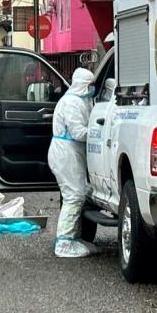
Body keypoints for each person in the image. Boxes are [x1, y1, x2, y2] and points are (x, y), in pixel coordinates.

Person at [48, 67, 98, 258]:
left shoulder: (80, 101)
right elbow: (78, 132)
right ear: (83, 85)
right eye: (90, 85)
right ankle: (64, 244)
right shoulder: (72, 103)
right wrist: (97, 133)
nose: (93, 88)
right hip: (65, 154)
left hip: (69, 154)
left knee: (79, 193)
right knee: (74, 196)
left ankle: (73, 238)